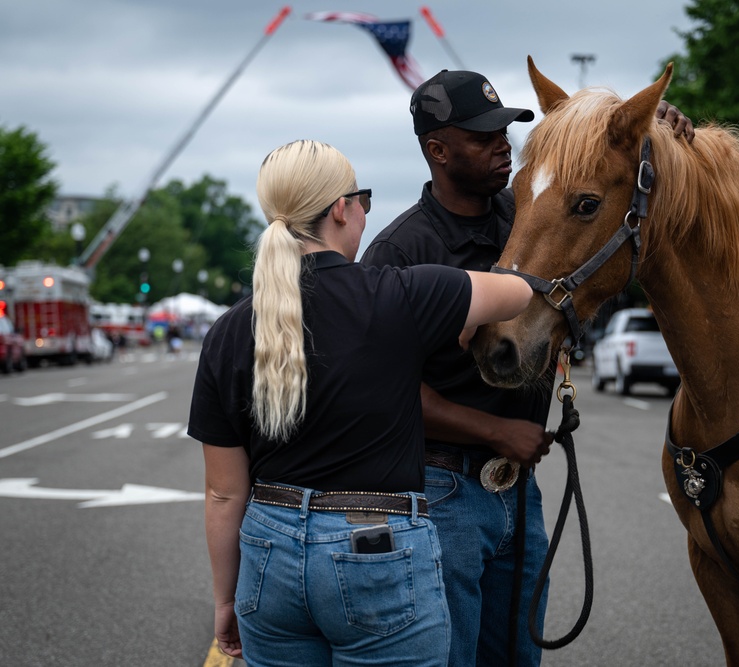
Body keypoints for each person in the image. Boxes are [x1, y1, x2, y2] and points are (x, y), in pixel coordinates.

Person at [361, 70, 695, 666]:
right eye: (483, 135)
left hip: (518, 490)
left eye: (507, 129)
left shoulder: (521, 210)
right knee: (452, 658)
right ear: (438, 150)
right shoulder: (400, 252)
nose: (503, 143)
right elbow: (381, 392)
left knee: (518, 658)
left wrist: (657, 125)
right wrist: (494, 431)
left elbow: (599, 210)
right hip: (442, 490)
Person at [187, 139, 533, 667]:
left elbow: (222, 494)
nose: (366, 212)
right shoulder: (403, 295)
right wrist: (460, 316)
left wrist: (225, 601)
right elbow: (520, 293)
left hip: (269, 550)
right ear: (341, 209)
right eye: (363, 200)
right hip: (376, 549)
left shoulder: (229, 331)